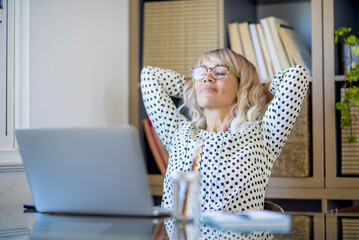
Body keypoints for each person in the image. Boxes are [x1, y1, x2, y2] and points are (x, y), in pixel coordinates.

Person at [141, 48, 309, 213]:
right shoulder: (179, 133)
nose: (208, 77)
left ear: (242, 84)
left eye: (220, 72)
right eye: (201, 72)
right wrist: (196, 86)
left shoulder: (262, 136)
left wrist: (254, 94)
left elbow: (297, 75)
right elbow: (149, 76)